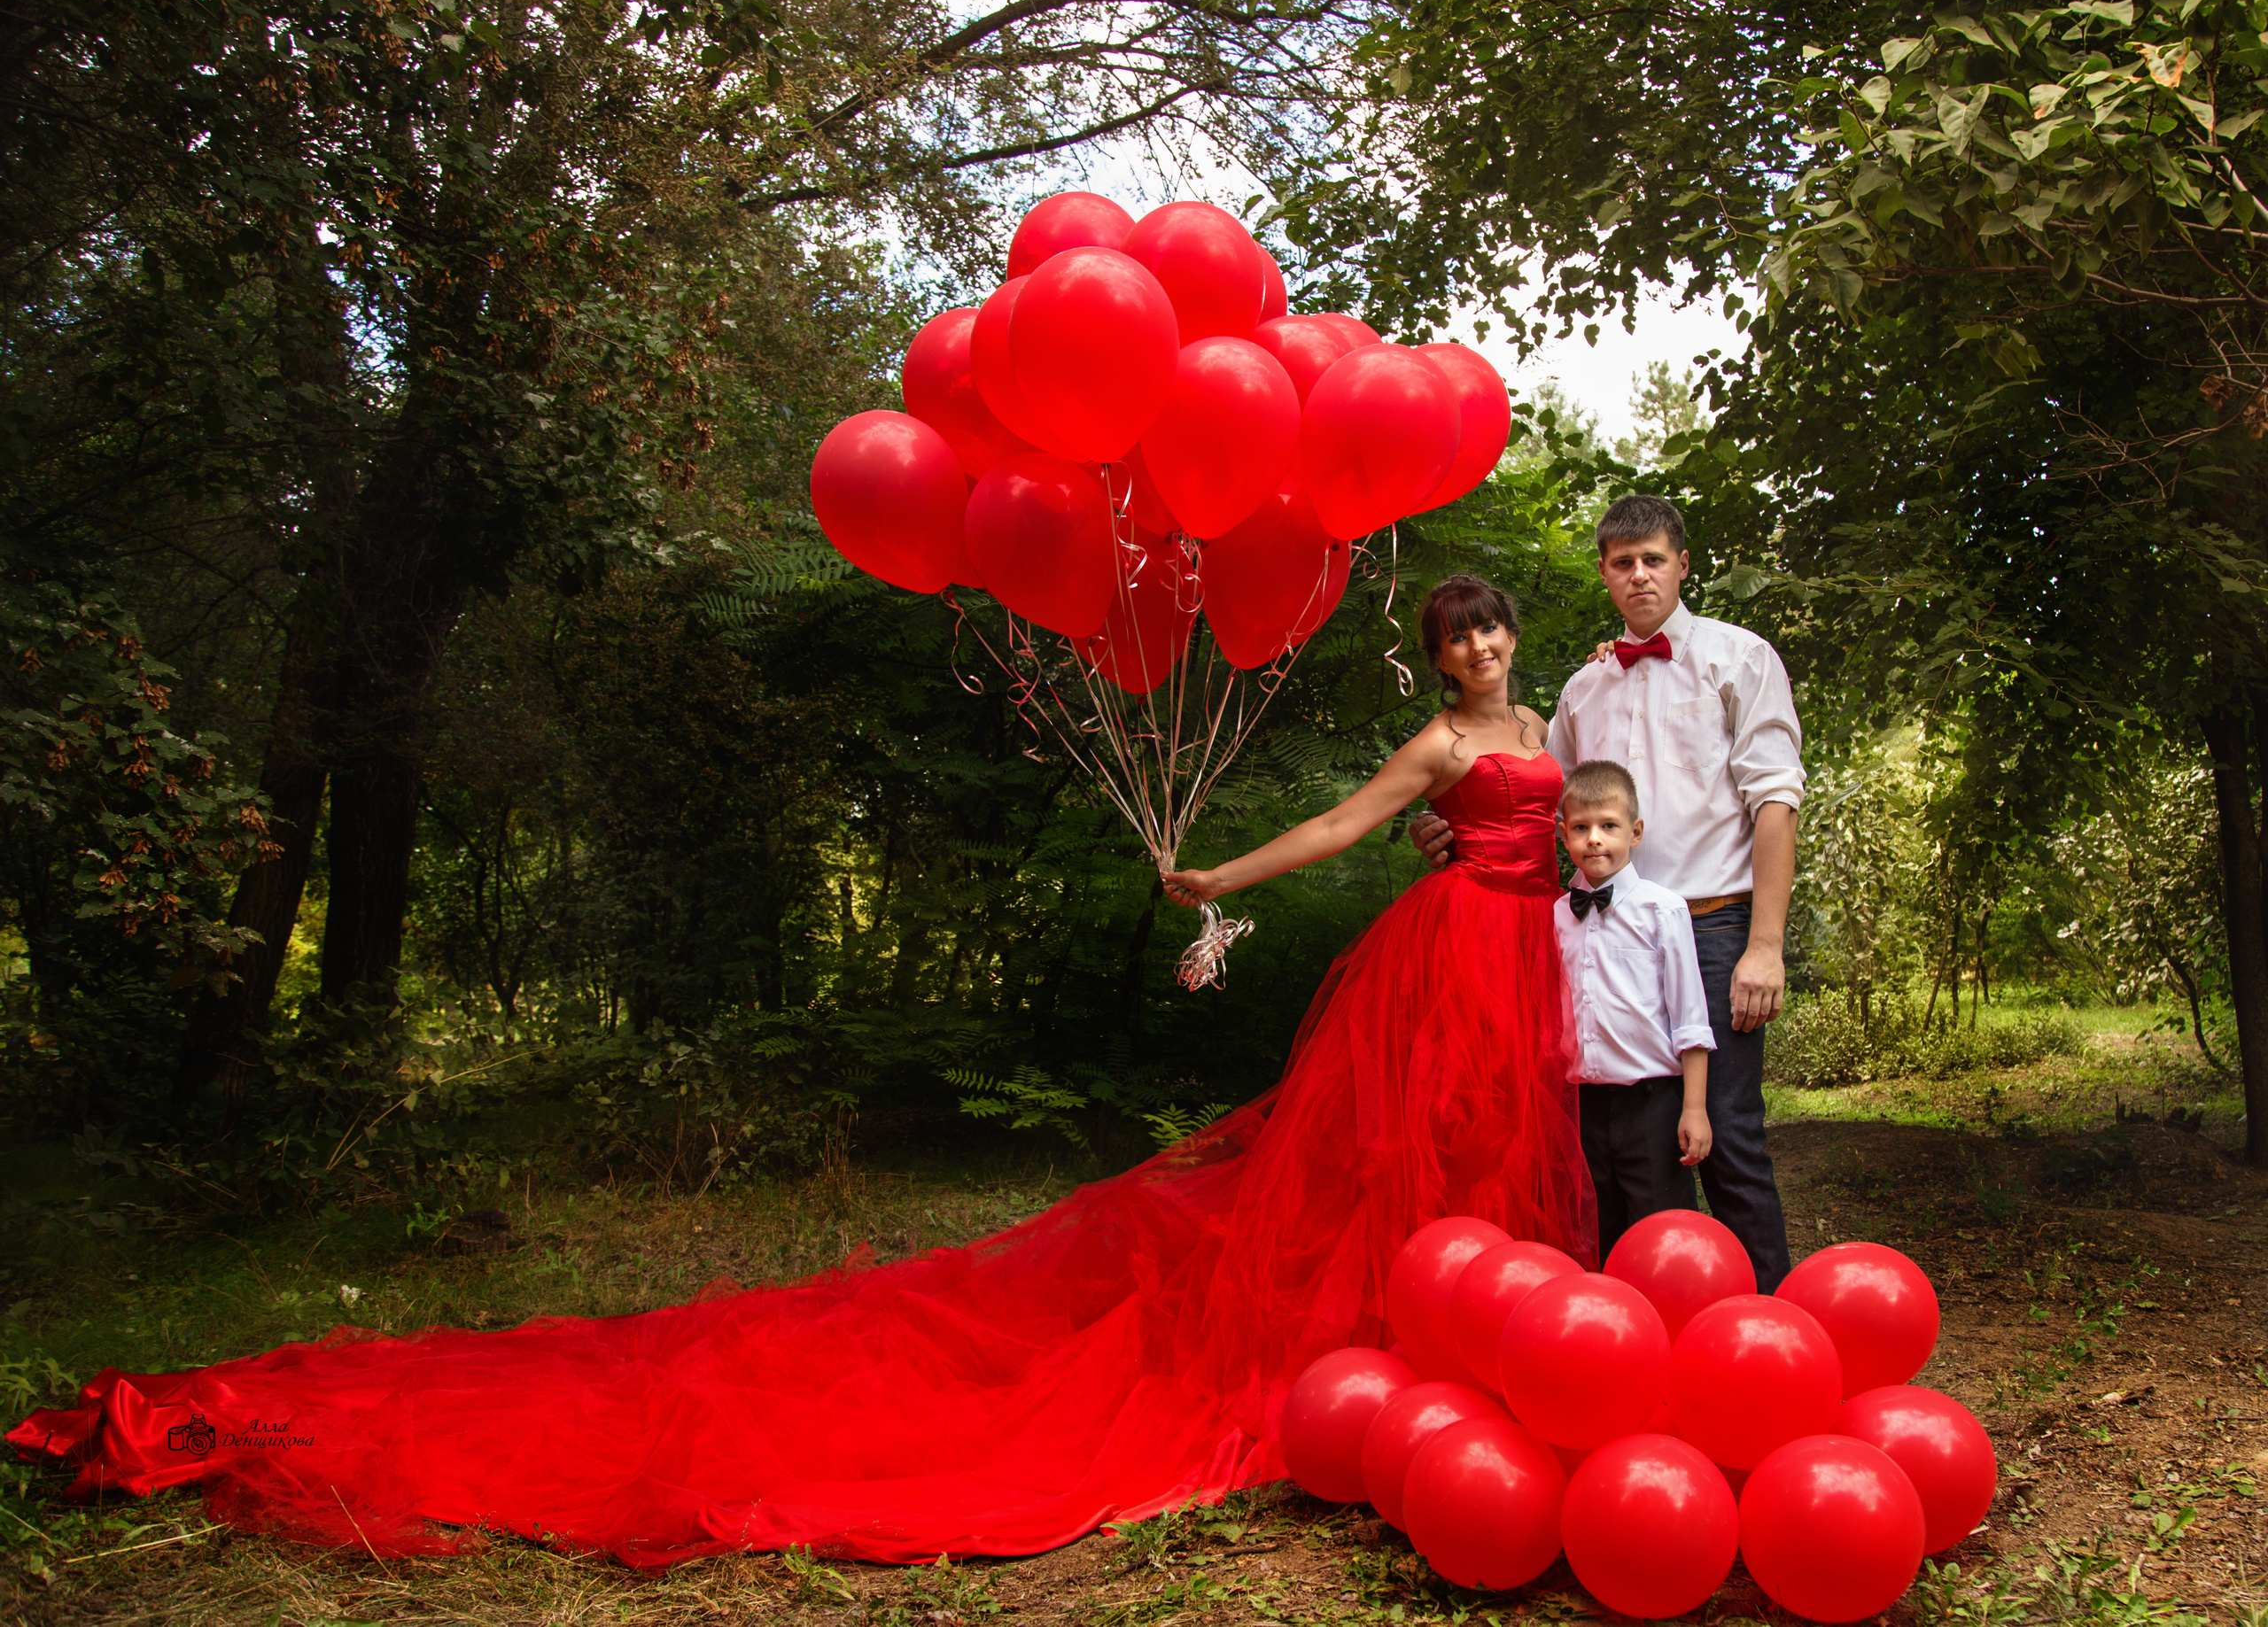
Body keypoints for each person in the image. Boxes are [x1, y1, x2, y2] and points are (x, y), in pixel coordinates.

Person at [10, 574, 1593, 1569]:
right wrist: (1222, 877)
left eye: (1489, 630)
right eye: (1456, 639)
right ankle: (1394, 1336)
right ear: (1437, 664)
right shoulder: (1446, 752)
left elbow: (1613, 824)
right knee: (1391, 1145)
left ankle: (1490, 1332)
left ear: (1513, 636)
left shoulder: (1558, 716)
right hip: (1447, 946)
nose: (1476, 652)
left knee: (1498, 1141)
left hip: (1539, 947)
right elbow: (1338, 825)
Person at [1410, 493, 1804, 1291]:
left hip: (1710, 926)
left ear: (1683, 565)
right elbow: (1524, 794)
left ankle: (1774, 1326)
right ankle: (1638, 1327)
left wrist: (1765, 944)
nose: (1640, 576)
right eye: (1623, 563)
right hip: (1600, 937)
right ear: (1605, 574)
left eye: (1654, 559)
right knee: (1606, 1148)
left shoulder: (1740, 658)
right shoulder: (1584, 689)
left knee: (1724, 1134)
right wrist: (1445, 825)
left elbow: (1776, 801)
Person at [1553, 758, 1714, 1259]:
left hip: (1653, 1103)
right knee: (1596, 1231)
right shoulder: (1557, 916)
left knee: (1660, 1237)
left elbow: (1691, 1019)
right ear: (1564, 835)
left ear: (1636, 832)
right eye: (1581, 828)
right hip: (1583, 1106)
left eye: (1608, 826)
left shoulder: (1663, 910)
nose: (1594, 839)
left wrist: (1694, 1108)